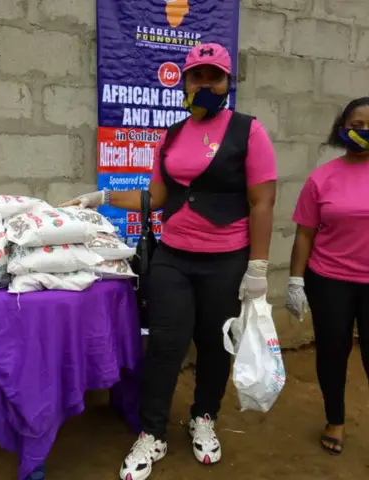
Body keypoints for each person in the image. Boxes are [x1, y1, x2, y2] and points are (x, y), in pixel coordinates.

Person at [63, 43, 277, 480]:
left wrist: (258, 267)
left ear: (227, 83)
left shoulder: (248, 131)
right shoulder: (172, 134)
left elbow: (263, 202)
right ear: (184, 82)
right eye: (196, 76)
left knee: (216, 347)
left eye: (213, 77)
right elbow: (158, 197)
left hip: (226, 260)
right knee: (164, 346)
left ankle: (204, 419)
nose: (204, 84)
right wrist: (102, 197)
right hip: (174, 257)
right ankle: (153, 432)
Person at [286, 97, 369, 456]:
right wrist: (295, 281)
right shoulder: (323, 177)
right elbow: (305, 233)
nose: (362, 131)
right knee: (333, 352)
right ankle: (335, 419)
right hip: (330, 279)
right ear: (341, 127)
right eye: (356, 123)